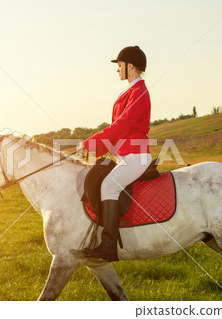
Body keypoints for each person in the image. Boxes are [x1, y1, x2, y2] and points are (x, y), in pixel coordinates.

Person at [81, 45, 153, 261]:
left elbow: (121, 125)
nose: (117, 69)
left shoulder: (139, 92)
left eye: (119, 65)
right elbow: (117, 134)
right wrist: (93, 149)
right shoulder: (131, 91)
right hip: (126, 156)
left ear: (129, 66)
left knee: (109, 186)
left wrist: (90, 144)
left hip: (136, 157)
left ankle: (109, 246)